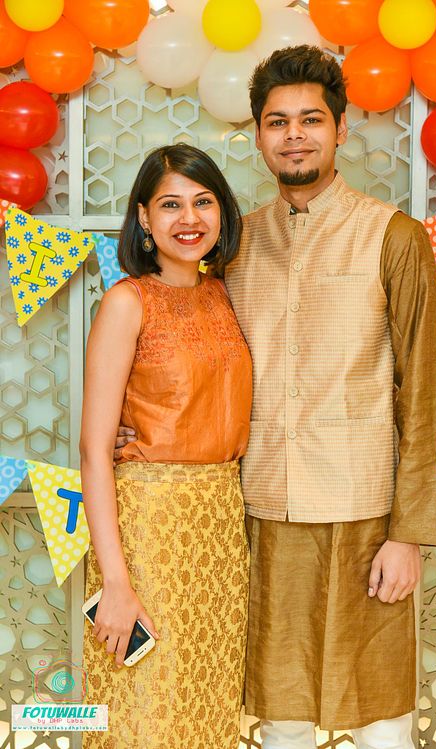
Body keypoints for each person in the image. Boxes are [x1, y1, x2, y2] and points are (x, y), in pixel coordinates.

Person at [116, 46, 436, 749]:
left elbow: (421, 396)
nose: (295, 135)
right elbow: (194, 359)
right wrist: (135, 426)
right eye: (277, 121)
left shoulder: (393, 236)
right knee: (280, 716)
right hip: (258, 512)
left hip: (366, 514)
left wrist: (409, 534)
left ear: (341, 129)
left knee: (382, 716)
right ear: (259, 136)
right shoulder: (232, 248)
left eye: (311, 119)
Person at [80, 144, 252, 749]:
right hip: (149, 529)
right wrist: (116, 582)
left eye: (203, 202)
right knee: (146, 709)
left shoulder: (226, 294)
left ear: (222, 212)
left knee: (207, 711)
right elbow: (94, 451)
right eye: (171, 204)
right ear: (143, 218)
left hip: (222, 529)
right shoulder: (127, 302)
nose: (189, 218)